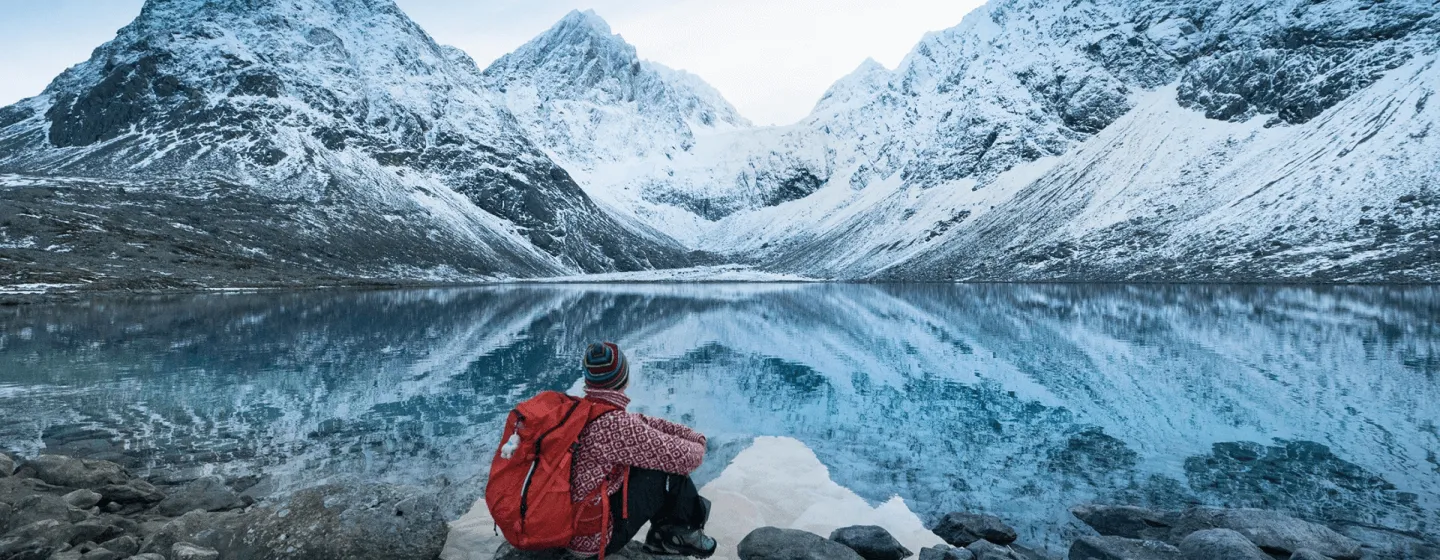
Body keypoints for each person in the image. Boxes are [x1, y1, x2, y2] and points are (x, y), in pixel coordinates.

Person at [568, 342, 718, 559]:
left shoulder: (583, 409)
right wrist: (699, 443)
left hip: (573, 523)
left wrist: (690, 435)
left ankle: (668, 534)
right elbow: (688, 459)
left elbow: (643, 422)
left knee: (646, 458)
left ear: (588, 379)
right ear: (624, 378)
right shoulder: (614, 426)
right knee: (663, 469)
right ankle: (679, 534)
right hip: (591, 541)